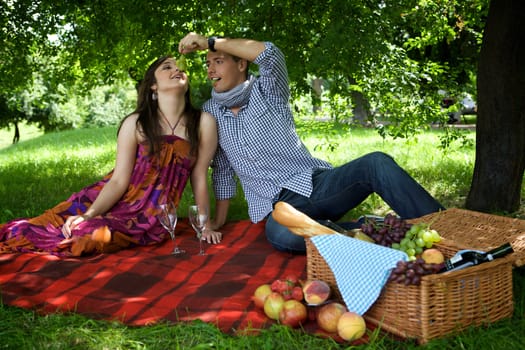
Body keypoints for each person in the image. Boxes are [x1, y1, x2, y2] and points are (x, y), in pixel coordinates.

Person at [178, 33, 445, 254]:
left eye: (218, 60)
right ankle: (368, 229)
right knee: (283, 237)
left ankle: (447, 230)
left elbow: (270, 55)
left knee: (375, 163)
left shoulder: (267, 90)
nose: (210, 68)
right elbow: (222, 170)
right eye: (207, 62)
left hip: (314, 185)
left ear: (241, 65)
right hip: (277, 209)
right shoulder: (211, 112)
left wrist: (210, 41)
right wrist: (217, 221)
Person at [0, 55, 221, 256]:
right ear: (153, 86)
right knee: (40, 227)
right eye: (167, 67)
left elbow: (199, 176)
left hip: (148, 218)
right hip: (105, 199)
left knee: (87, 239)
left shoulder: (203, 122)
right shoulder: (135, 123)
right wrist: (88, 214)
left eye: (179, 67)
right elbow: (118, 180)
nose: (177, 69)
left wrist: (205, 226)